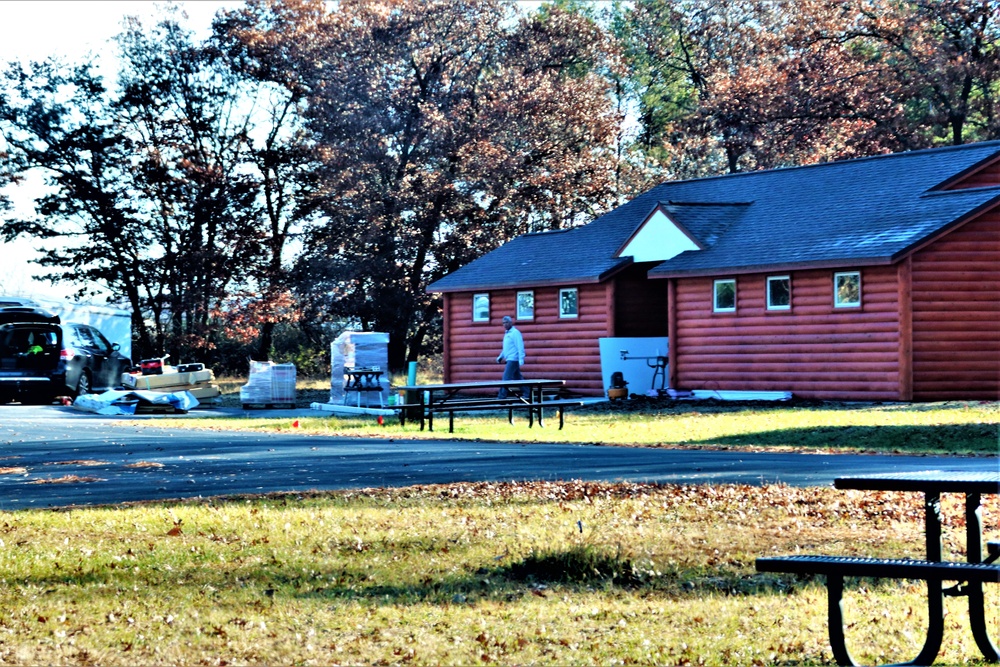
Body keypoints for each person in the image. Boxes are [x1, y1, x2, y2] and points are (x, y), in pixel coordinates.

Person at [495, 315, 525, 398]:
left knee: (506, 378)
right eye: (503, 323)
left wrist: (521, 358)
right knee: (518, 378)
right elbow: (506, 348)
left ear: (511, 322)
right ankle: (528, 392)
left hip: (513, 359)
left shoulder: (515, 333)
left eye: (506, 322)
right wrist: (500, 357)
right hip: (509, 358)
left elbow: (520, 346)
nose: (505, 324)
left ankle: (501, 397)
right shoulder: (507, 334)